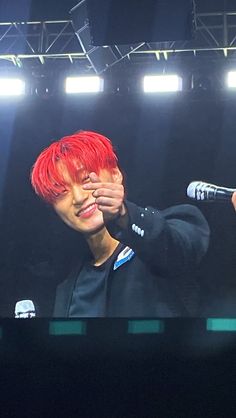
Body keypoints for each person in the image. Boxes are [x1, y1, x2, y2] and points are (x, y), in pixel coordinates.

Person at [31, 130, 210, 317]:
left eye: (85, 179)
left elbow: (177, 249)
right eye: (61, 192)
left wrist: (124, 215)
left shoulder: (167, 231)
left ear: (115, 175)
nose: (78, 197)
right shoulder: (66, 289)